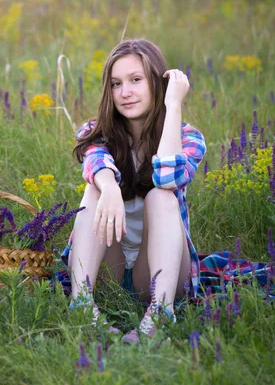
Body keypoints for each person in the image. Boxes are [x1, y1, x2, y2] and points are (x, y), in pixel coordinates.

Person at [65, 38, 206, 344]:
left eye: (136, 80)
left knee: (160, 195)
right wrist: (110, 189)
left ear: (158, 82)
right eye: (116, 84)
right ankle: (82, 306)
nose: (125, 92)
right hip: (108, 270)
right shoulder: (96, 131)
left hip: (157, 276)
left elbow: (168, 178)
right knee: (96, 188)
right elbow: (95, 161)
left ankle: (159, 317)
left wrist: (173, 105)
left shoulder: (189, 139)